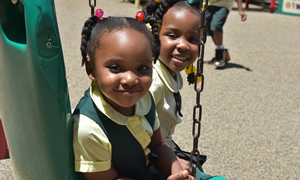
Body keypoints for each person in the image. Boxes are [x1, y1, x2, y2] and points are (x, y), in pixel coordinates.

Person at [72, 9, 196, 180]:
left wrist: (177, 173)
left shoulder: (143, 98)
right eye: (116, 68)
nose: (131, 79)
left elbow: (159, 145)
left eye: (142, 68)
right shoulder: (89, 128)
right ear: (91, 69)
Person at [139, 0, 206, 175]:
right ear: (154, 35)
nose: (183, 45)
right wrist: (170, 161)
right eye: (172, 35)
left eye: (192, 39)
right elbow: (135, 131)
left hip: (164, 148)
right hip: (149, 157)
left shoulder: (168, 72)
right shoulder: (152, 80)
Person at [205, 0, 247, 67]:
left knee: (216, 25)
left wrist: (240, 10)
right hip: (208, 4)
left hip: (224, 4)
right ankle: (223, 51)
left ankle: (220, 54)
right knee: (208, 28)